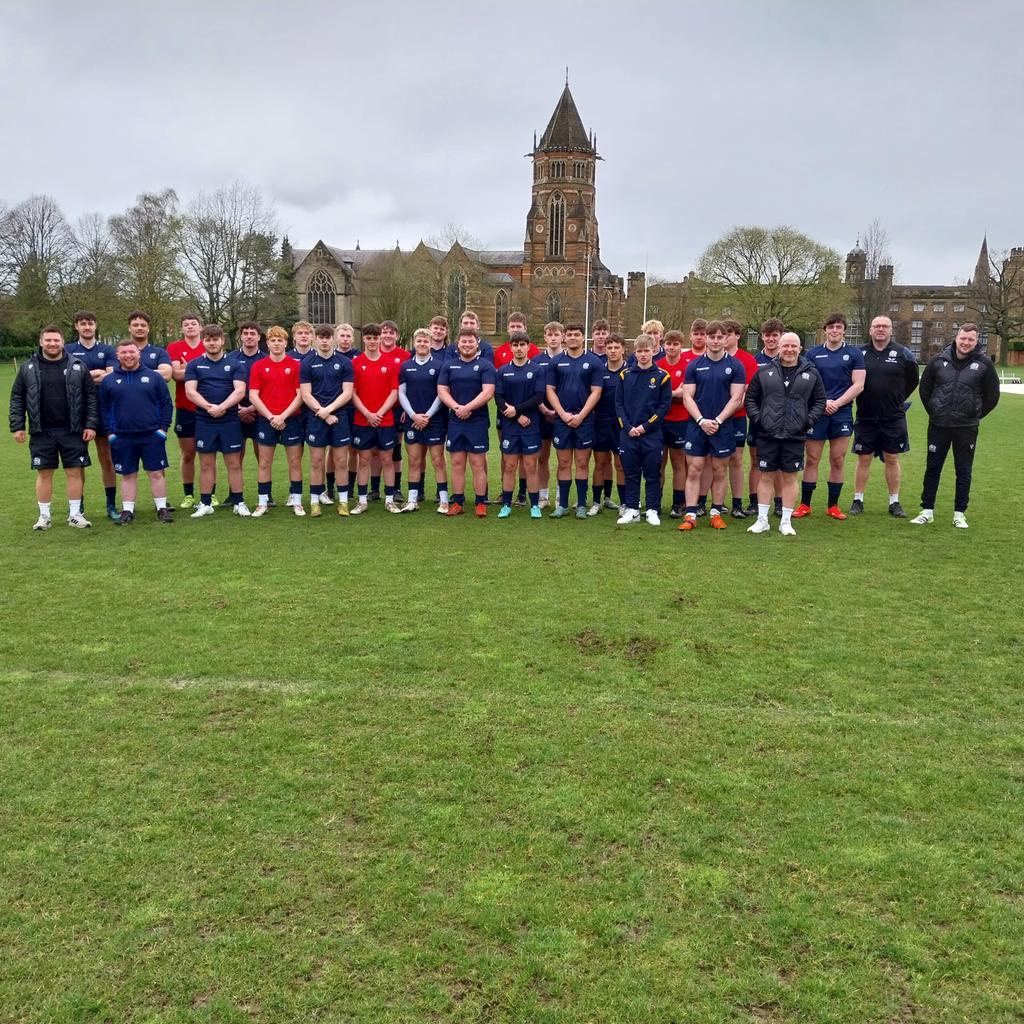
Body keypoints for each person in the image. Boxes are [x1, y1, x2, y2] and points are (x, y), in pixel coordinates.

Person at [911, 323, 1000, 528]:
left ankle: (959, 513)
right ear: (956, 338)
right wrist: (935, 410)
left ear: (976, 341)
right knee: (933, 468)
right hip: (939, 425)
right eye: (963, 338)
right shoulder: (938, 360)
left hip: (966, 428)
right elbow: (925, 390)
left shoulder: (984, 364)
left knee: (963, 470)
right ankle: (927, 510)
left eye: (971, 339)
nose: (966, 343)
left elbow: (992, 396)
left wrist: (974, 414)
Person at [9, 324, 98, 530]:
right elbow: (17, 398)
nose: (52, 344)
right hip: (42, 431)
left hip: (73, 430)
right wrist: (17, 426)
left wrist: (91, 424)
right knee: (44, 473)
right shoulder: (28, 368)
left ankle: (75, 514)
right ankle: (44, 516)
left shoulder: (78, 365)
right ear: (41, 342)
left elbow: (91, 397)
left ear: (62, 342)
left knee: (74, 472)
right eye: (48, 340)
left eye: (56, 340)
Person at [744, 332, 826, 537]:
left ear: (800, 348)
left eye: (794, 346)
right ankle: (762, 520)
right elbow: (751, 399)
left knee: (790, 478)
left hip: (795, 436)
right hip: (768, 434)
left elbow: (820, 401)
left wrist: (807, 421)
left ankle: (786, 522)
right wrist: (760, 419)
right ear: (779, 347)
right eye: (786, 346)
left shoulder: (811, 373)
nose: (789, 350)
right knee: (766, 477)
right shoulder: (765, 371)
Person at [793, 312, 865, 520]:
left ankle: (833, 506)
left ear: (844, 330)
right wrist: (823, 403)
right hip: (817, 411)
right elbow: (806, 383)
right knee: (812, 459)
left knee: (838, 459)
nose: (834, 330)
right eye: (831, 327)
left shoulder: (854, 354)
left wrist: (837, 403)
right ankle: (805, 504)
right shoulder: (813, 354)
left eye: (838, 327)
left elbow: (858, 384)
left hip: (841, 413)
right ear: (824, 330)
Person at [679, 320, 746, 531]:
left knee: (719, 470)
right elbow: (687, 397)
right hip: (697, 426)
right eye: (712, 337)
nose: (716, 341)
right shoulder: (694, 365)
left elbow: (737, 399)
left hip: (723, 426)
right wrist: (701, 420)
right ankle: (690, 514)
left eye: (720, 337)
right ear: (706, 338)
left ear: (726, 339)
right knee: (694, 469)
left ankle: (716, 512)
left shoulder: (735, 366)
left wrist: (717, 421)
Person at [850, 315, 920, 517]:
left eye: (885, 326)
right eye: (877, 326)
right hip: (866, 416)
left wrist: (896, 398)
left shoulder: (903, 353)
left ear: (891, 330)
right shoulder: (859, 353)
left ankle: (894, 502)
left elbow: (912, 380)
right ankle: (858, 500)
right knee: (864, 459)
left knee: (892, 457)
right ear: (870, 330)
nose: (881, 329)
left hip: (893, 417)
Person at [100, 337, 175, 524]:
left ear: (138, 353)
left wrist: (163, 429)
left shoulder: (154, 377)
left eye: (131, 352)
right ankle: (127, 510)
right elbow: (103, 408)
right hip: (122, 436)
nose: (128, 355)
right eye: (124, 352)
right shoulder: (109, 380)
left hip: (151, 434)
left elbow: (166, 403)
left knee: (156, 472)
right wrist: (110, 434)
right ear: (118, 355)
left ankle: (161, 508)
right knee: (127, 474)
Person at [183, 324, 250, 518]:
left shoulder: (235, 364)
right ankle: (205, 503)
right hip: (205, 420)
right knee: (206, 464)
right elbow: (190, 391)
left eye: (215, 339)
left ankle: (239, 502)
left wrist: (222, 407)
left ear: (222, 341)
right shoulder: (194, 365)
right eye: (208, 340)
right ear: (203, 341)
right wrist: (209, 407)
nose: (212, 343)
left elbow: (240, 391)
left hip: (229, 421)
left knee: (234, 463)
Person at [545, 321, 604, 519]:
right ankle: (562, 505)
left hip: (584, 420)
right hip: (562, 420)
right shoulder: (556, 362)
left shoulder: (594, 361)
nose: (572, 338)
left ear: (583, 337)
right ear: (564, 337)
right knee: (563, 463)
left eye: (576, 334)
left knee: (581, 462)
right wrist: (562, 414)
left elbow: (596, 392)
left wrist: (581, 415)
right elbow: (550, 391)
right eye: (569, 334)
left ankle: (580, 504)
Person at [614, 334, 672, 526]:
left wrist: (645, 427)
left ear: (654, 350)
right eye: (639, 351)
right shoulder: (625, 375)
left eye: (647, 350)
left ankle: (652, 509)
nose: (643, 354)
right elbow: (619, 404)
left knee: (653, 473)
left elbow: (664, 407)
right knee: (630, 472)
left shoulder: (662, 376)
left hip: (652, 435)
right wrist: (629, 427)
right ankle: (632, 509)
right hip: (628, 434)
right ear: (635, 352)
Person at [66, 310, 118, 521]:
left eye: (90, 324)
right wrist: (95, 374)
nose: (87, 327)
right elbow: (68, 377)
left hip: (104, 409)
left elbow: (111, 376)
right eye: (83, 324)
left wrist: (83, 374)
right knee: (78, 460)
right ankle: (79, 508)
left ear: (96, 326)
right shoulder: (68, 349)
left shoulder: (106, 349)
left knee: (107, 459)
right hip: (78, 411)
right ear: (76, 326)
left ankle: (111, 505)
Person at [437, 326, 496, 516]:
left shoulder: (485, 365)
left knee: (478, 463)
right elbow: (442, 390)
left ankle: (480, 503)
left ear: (477, 344)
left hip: (477, 420)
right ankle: (458, 502)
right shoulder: (449, 365)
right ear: (458, 344)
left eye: (471, 341)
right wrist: (456, 408)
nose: (467, 344)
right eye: (464, 341)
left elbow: (488, 392)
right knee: (457, 463)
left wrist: (468, 407)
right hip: (455, 420)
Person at [249, 325, 305, 516]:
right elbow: (253, 396)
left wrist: (283, 416)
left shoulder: (296, 365)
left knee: (295, 462)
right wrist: (272, 416)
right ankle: (262, 502)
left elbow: (300, 395)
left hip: (291, 419)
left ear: (286, 342)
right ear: (267, 343)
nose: (276, 343)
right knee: (264, 462)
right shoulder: (258, 366)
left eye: (280, 340)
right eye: (273, 340)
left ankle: (297, 501)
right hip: (267, 420)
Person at [300, 324, 355, 516]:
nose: (324, 340)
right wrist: (322, 412)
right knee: (316, 461)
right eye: (321, 337)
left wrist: (329, 411)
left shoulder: (345, 363)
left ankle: (343, 502)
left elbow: (347, 393)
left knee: (341, 461)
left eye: (328, 337)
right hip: (316, 417)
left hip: (338, 418)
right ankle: (315, 502)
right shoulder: (307, 363)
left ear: (333, 339)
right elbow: (306, 395)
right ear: (316, 339)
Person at [350, 323, 400, 514]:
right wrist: (367, 414)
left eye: (375, 338)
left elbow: (394, 392)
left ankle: (389, 500)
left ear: (380, 339)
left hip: (385, 420)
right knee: (364, 459)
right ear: (364, 339)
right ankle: (362, 501)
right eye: (369, 338)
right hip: (363, 420)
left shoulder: (390, 364)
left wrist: (379, 413)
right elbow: (352, 393)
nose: (372, 341)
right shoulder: (355, 363)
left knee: (387, 459)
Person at [494, 330, 545, 518]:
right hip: (511, 425)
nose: (519, 348)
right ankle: (506, 504)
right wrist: (516, 416)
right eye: (515, 345)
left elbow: (539, 396)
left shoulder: (537, 370)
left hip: (530, 425)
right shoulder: (502, 371)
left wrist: (518, 410)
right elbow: (498, 397)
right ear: (511, 347)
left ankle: (534, 506)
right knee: (509, 465)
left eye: (522, 345)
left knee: (531, 465)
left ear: (528, 347)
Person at [397, 328, 448, 513]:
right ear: (414, 343)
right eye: (419, 341)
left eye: (425, 341)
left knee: (437, 460)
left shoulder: (440, 365)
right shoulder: (406, 366)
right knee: (414, 460)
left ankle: (443, 500)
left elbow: (442, 393)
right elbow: (401, 393)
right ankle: (412, 500)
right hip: (413, 419)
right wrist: (412, 415)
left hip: (434, 420)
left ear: (430, 344)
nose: (422, 344)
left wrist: (428, 415)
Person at [167, 312, 208, 509]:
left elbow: (211, 373)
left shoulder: (207, 344)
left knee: (208, 454)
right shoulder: (174, 348)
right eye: (186, 324)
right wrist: (200, 368)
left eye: (193, 323)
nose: (190, 326)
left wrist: (188, 369)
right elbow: (176, 375)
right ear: (182, 328)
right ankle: (189, 494)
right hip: (185, 408)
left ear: (200, 327)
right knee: (188, 453)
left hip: (207, 408)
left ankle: (210, 494)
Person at [657, 329, 697, 518]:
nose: (671, 347)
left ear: (681, 346)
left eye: (675, 344)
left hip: (680, 421)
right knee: (658, 463)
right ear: (664, 344)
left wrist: (667, 394)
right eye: (669, 344)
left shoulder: (688, 366)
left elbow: (686, 394)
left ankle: (678, 503)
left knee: (678, 463)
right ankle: (654, 502)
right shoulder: (658, 365)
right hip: (659, 421)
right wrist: (673, 394)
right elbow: (654, 396)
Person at [746, 317, 784, 516]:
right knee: (755, 462)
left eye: (775, 335)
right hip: (758, 420)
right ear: (762, 337)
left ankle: (779, 502)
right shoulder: (755, 361)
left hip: (781, 421)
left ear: (781, 336)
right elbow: (750, 393)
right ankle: (754, 502)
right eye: (768, 335)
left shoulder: (788, 359)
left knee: (777, 463)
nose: (771, 339)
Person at [722, 318, 760, 518]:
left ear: (737, 335)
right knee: (715, 460)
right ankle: (713, 503)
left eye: (729, 333)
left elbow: (747, 392)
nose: (725, 338)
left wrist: (728, 409)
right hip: (715, 419)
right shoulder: (712, 357)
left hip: (736, 417)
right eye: (722, 334)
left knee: (736, 459)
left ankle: (737, 504)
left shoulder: (747, 360)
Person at [589, 331, 629, 515]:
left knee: (620, 464)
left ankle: (624, 503)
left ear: (623, 349)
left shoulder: (630, 372)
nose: (612, 351)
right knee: (600, 463)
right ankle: (597, 502)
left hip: (621, 427)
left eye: (616, 347)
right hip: (600, 424)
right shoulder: (599, 371)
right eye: (609, 347)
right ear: (605, 349)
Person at [377, 319, 411, 503]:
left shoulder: (405, 356)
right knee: (375, 450)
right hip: (376, 410)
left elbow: (411, 383)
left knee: (395, 449)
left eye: (391, 332)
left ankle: (396, 489)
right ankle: (374, 489)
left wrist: (407, 407)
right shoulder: (373, 352)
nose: (388, 335)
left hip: (398, 410)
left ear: (397, 336)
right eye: (384, 332)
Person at [533, 321, 564, 507]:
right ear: (545, 337)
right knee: (542, 457)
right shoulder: (537, 361)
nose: (553, 338)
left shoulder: (569, 359)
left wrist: (560, 411)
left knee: (563, 459)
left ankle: (561, 496)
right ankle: (543, 496)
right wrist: (545, 410)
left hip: (562, 416)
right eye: (549, 335)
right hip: (542, 415)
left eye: (556, 334)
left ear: (562, 337)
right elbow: (534, 391)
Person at [228, 322, 265, 465]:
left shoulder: (265, 359)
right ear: (240, 337)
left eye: (252, 334)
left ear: (258, 337)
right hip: (235, 412)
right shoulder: (230, 359)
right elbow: (226, 386)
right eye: (246, 333)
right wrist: (238, 408)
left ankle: (264, 488)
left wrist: (252, 408)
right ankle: (236, 488)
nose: (249, 337)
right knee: (236, 460)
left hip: (260, 412)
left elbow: (268, 389)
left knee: (263, 459)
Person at [126, 311, 173, 381]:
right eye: (135, 325)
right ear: (129, 328)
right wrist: (152, 372)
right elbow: (112, 375)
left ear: (148, 328)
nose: (139, 328)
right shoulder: (120, 352)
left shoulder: (160, 352)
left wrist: (130, 373)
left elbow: (166, 374)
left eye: (143, 325)